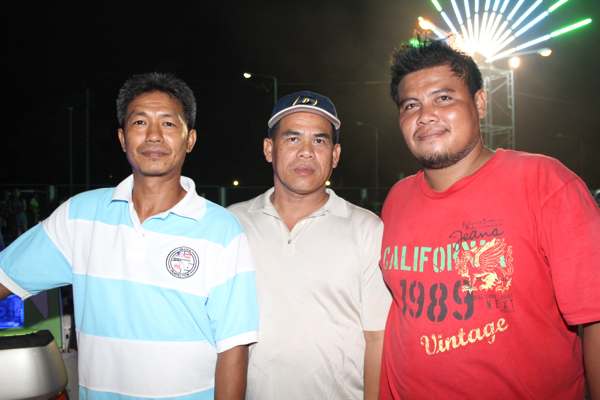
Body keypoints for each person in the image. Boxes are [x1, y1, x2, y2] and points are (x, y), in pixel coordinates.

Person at [0, 72, 258, 400]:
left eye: (168, 123)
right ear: (122, 138)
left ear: (190, 139)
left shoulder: (222, 229)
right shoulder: (79, 217)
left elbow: (233, 348)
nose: (153, 135)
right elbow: (6, 277)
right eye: (139, 122)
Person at [379, 39, 600, 399]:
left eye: (443, 98)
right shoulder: (396, 200)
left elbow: (595, 318)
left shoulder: (546, 184)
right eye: (411, 105)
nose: (425, 115)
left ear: (480, 103)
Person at [229, 90, 391, 400]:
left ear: (335, 155)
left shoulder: (366, 229)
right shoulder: (234, 224)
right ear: (269, 149)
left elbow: (377, 339)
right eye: (292, 139)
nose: (306, 152)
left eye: (319, 140)